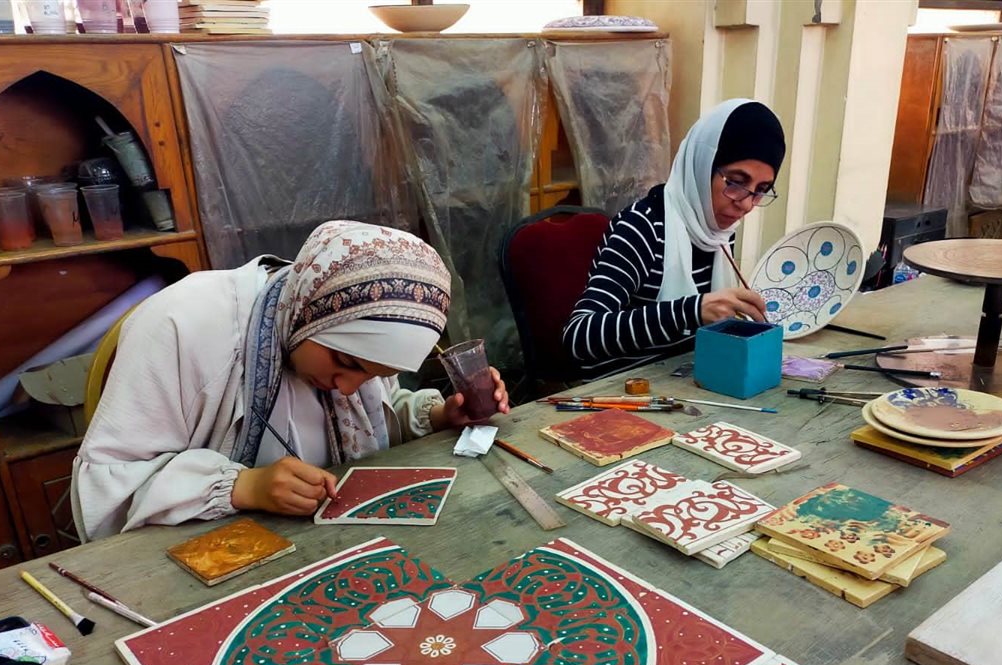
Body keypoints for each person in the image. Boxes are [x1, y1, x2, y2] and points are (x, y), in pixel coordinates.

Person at [72, 220, 509, 541]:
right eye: (344, 362)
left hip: (321, 544)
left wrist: (438, 415)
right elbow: (106, 487)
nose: (347, 388)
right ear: (309, 313)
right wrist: (244, 487)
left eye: (373, 375)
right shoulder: (183, 325)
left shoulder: (341, 335)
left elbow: (376, 416)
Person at [563, 99, 786, 379]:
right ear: (703, 166)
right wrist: (692, 310)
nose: (746, 204)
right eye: (736, 182)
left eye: (761, 189)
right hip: (621, 387)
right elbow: (579, 336)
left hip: (682, 379)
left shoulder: (716, 231)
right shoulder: (642, 228)